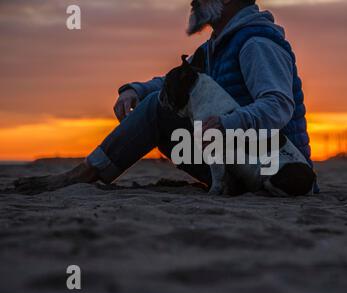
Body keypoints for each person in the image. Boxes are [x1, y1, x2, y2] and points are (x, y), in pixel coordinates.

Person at [15, 0, 315, 195]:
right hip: (234, 161)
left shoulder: (256, 43)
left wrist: (227, 123)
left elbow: (278, 105)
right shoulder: (216, 46)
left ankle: (85, 173)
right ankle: (90, 170)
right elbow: (179, 80)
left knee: (157, 109)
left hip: (278, 171)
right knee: (158, 100)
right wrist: (136, 89)